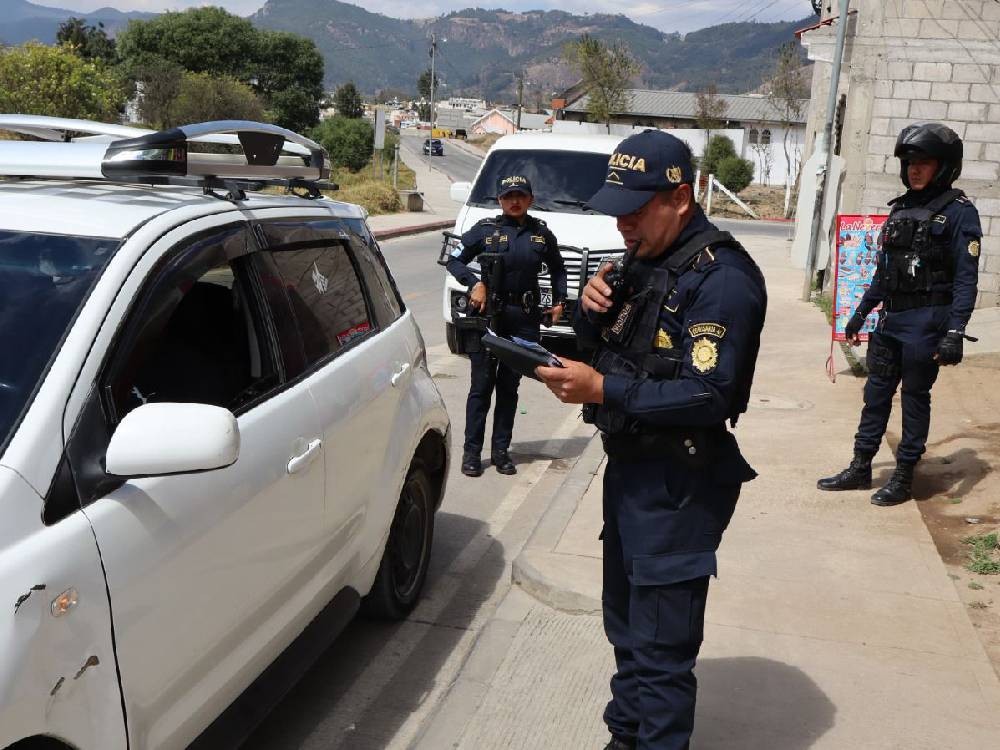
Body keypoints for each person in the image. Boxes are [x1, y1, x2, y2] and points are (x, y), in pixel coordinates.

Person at [535, 130, 767, 750]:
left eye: (636, 211)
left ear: (681, 198)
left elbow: (709, 394)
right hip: (632, 474)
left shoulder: (722, 280)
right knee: (628, 628)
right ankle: (625, 737)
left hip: (680, 485)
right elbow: (610, 349)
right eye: (617, 211)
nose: (623, 226)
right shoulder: (643, 264)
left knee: (662, 653)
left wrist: (603, 391)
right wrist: (587, 312)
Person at [817, 123, 981, 506]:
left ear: (944, 166)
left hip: (926, 324)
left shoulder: (960, 214)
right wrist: (859, 316)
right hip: (890, 322)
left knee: (914, 398)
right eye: (909, 163)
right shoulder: (902, 209)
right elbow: (883, 274)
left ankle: (905, 475)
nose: (914, 170)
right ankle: (860, 466)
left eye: (924, 162)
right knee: (874, 396)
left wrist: (955, 332)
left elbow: (965, 281)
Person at [446, 174, 568, 477]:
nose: (515, 201)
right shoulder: (485, 231)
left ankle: (501, 452)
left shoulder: (541, 234)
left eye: (521, 195)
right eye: (508, 196)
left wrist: (559, 301)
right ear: (500, 200)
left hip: (523, 319)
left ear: (530, 199)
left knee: (509, 388)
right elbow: (454, 261)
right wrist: (474, 283)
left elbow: (558, 269)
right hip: (489, 317)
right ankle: (471, 453)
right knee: (481, 387)